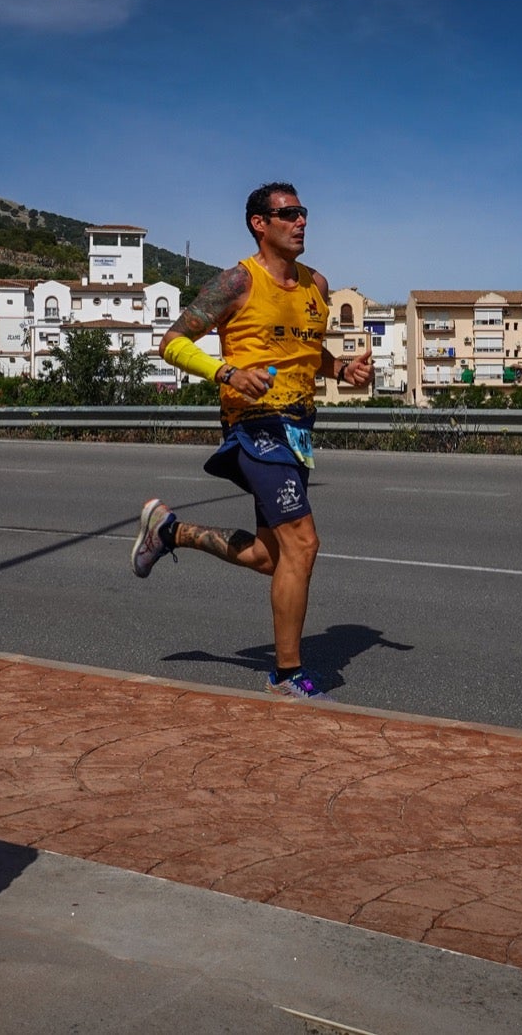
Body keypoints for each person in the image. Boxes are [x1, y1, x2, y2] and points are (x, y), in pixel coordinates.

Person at [130, 182, 372, 698]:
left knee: (272, 556)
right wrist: (228, 373)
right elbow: (171, 343)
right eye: (289, 214)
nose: (301, 221)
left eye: (303, 212)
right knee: (303, 543)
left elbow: (304, 351)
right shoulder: (238, 281)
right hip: (254, 425)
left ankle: (171, 532)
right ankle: (286, 674)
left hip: (299, 429)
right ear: (260, 224)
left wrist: (342, 369)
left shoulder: (316, 285)